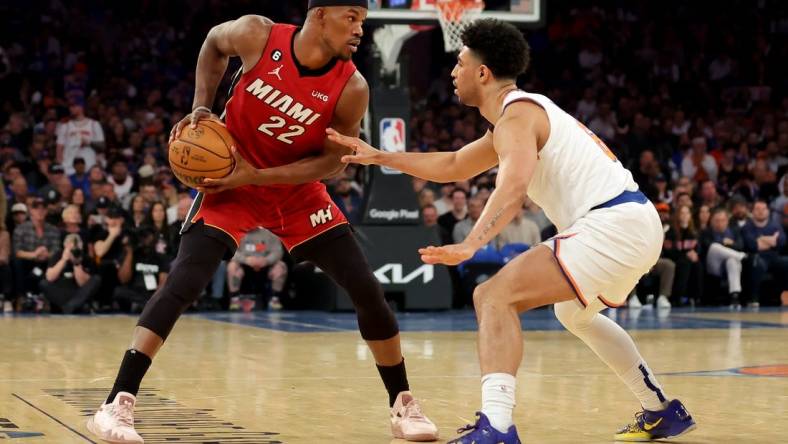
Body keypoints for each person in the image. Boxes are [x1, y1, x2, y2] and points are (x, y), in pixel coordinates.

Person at [329, 19, 695, 443]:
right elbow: (453, 165)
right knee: (573, 313)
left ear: (482, 73)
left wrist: (471, 243)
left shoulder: (518, 116)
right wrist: (378, 157)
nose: (453, 72)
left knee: (493, 296)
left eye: (460, 63)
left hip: (613, 223)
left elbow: (515, 185)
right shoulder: (513, 118)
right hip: (632, 223)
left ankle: (498, 425)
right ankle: (661, 410)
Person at [87, 3, 437, 443]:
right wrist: (201, 106)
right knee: (185, 280)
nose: (359, 30)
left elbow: (332, 162)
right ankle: (116, 401)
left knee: (366, 288)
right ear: (320, 15)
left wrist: (261, 176)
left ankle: (402, 403)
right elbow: (214, 43)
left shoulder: (352, 87)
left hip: (295, 191)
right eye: (351, 18)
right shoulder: (258, 35)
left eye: (363, 21)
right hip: (230, 182)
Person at [40, 233, 100, 314]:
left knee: (96, 279)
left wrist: (76, 263)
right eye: (70, 247)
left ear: (81, 246)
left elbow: (82, 284)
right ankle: (72, 306)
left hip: (79, 293)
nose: (73, 250)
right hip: (61, 292)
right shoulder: (58, 256)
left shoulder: (86, 258)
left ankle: (70, 306)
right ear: (65, 246)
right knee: (43, 283)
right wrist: (63, 260)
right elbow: (50, 278)